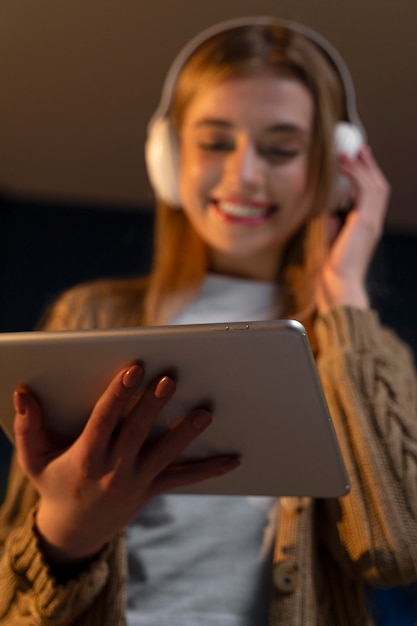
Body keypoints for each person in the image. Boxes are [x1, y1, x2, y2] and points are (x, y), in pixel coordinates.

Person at [1, 16, 417, 626]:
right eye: (215, 141)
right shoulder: (91, 314)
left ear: (332, 172)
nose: (245, 173)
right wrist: (68, 531)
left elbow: (395, 551)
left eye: (281, 149)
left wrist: (345, 296)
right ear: (168, 157)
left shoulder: (367, 349)